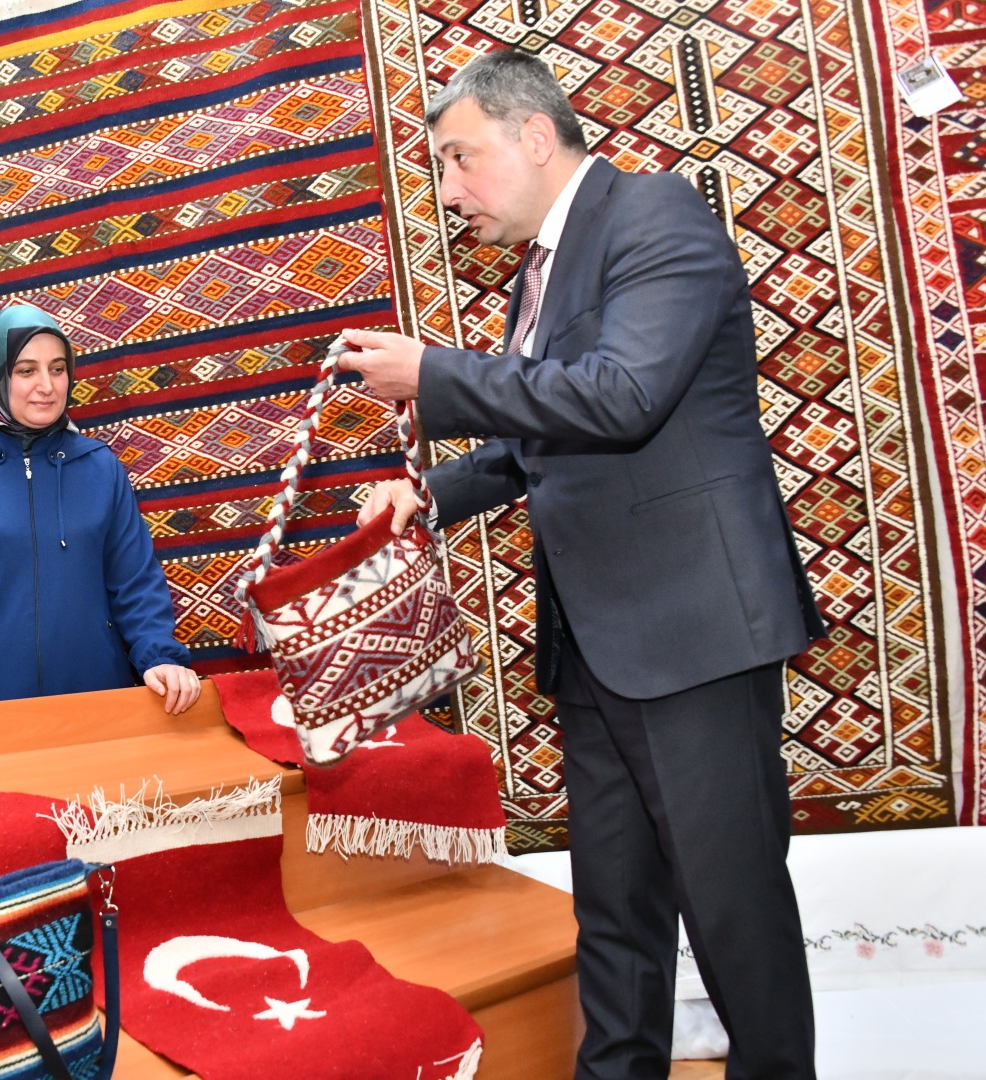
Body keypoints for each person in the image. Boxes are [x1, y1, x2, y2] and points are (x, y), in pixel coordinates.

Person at [339, 52, 826, 1079]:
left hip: (692, 634)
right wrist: (427, 495)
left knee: (732, 914)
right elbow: (534, 439)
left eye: (459, 157)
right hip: (598, 647)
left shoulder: (654, 218)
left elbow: (619, 395)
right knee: (612, 914)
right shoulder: (540, 271)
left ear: (532, 134)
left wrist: (433, 373)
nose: (450, 188)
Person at [0, 303, 200, 713]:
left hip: (96, 702)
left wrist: (160, 657)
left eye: (57, 369)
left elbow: (135, 584)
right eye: (26, 370)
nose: (47, 386)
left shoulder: (100, 467)